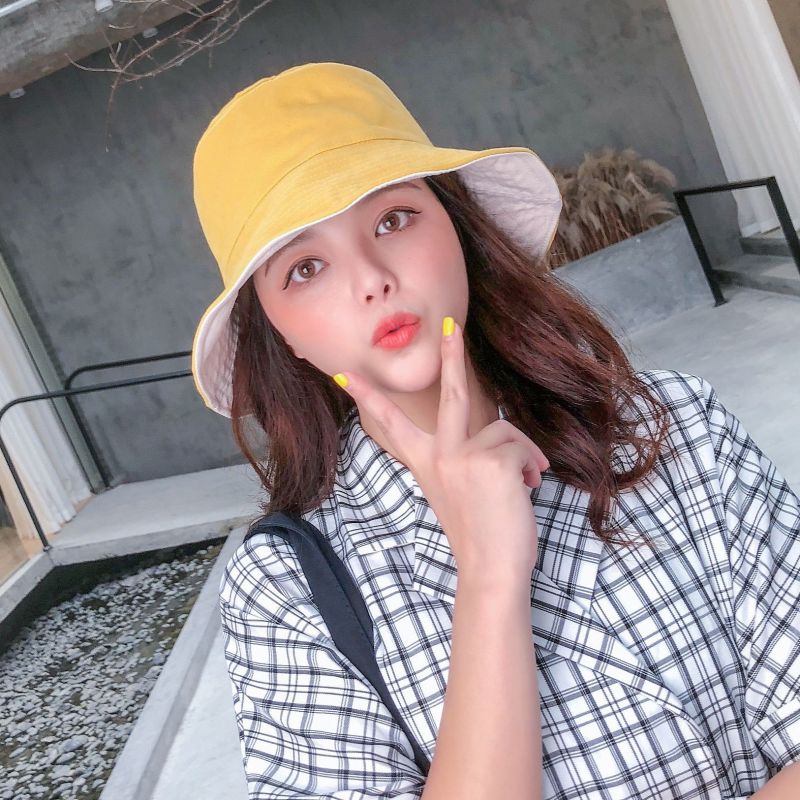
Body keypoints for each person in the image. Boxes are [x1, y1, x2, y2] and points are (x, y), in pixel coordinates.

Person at [190, 62, 800, 799]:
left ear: (458, 227)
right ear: (281, 334)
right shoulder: (288, 588)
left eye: (392, 220)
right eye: (305, 267)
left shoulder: (670, 426)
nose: (371, 279)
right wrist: (487, 577)